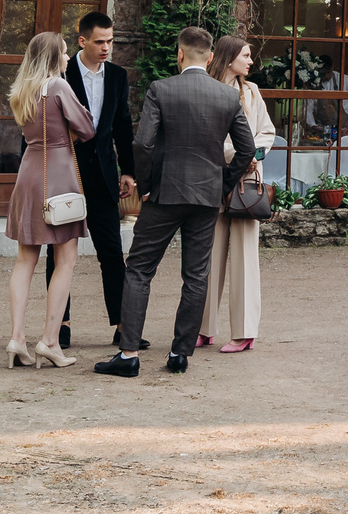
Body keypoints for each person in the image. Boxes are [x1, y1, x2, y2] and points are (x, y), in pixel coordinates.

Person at [94, 26, 255, 378]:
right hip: (206, 197)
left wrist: (147, 185)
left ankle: (129, 354)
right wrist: (222, 185)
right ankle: (180, 354)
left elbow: (143, 144)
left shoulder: (161, 89)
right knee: (196, 276)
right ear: (211, 57)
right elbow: (248, 149)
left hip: (165, 195)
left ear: (179, 54)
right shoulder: (227, 97)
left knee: (139, 270)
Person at [44, 11, 135, 352]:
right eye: (100, 41)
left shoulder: (117, 76)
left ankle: (124, 326)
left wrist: (128, 171)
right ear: (82, 41)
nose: (106, 48)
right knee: (59, 253)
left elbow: (123, 125)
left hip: (105, 177)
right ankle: (60, 326)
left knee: (112, 251)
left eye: (110, 41)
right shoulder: (61, 72)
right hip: (66, 173)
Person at [2, 30, 92, 369]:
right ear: (54, 58)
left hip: (29, 172)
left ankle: (16, 338)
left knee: (25, 259)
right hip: (56, 172)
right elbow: (86, 127)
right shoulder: (58, 86)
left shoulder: (24, 88)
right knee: (66, 258)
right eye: (65, 53)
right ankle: (50, 341)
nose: (69, 58)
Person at [202, 34, 277, 355]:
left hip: (247, 184)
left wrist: (253, 154)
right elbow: (206, 135)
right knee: (207, 256)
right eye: (245, 56)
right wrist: (237, 152)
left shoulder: (252, 91)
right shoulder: (207, 89)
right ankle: (203, 328)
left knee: (245, 257)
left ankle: (245, 332)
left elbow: (267, 131)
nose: (250, 61)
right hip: (212, 179)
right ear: (228, 57)